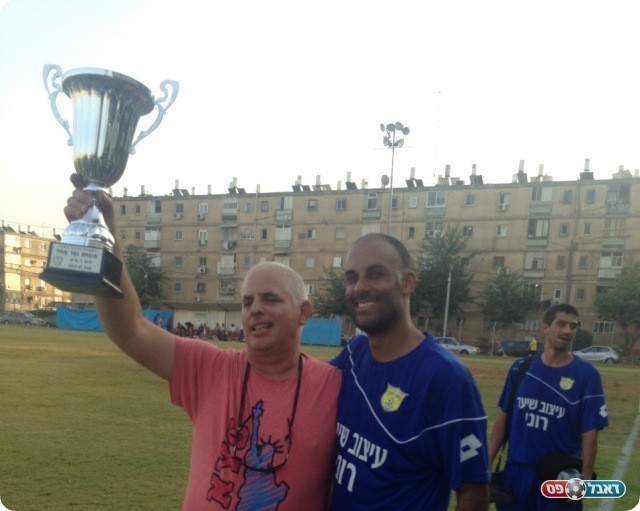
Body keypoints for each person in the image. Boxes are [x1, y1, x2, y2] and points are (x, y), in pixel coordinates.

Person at [63, 174, 342, 511]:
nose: (255, 309)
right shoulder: (210, 368)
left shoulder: (333, 387)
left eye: (270, 299)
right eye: (247, 302)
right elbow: (130, 330)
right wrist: (105, 240)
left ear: (304, 312)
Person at [330, 233, 490, 511]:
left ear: (407, 283)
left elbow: (473, 492)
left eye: (375, 274)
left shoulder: (446, 378)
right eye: (352, 278)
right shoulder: (354, 353)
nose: (360, 287)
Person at [488, 303, 609, 511]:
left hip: (559, 475)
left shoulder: (586, 375)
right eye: (561, 324)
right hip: (517, 473)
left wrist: (586, 479)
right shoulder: (521, 368)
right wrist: (486, 465)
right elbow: (503, 420)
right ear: (545, 328)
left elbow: (590, 432)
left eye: (573, 326)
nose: (567, 331)